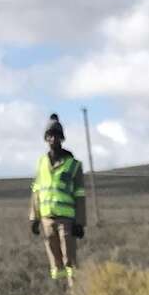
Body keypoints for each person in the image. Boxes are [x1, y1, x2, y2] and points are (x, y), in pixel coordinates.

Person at [30, 114, 87, 285]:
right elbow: (36, 191)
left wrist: (80, 222)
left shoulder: (74, 165)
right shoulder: (41, 163)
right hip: (47, 219)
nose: (53, 139)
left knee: (69, 257)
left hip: (66, 220)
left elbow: (80, 195)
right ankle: (59, 291)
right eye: (50, 135)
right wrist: (34, 218)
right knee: (55, 261)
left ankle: (74, 290)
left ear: (62, 138)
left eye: (56, 135)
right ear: (46, 138)